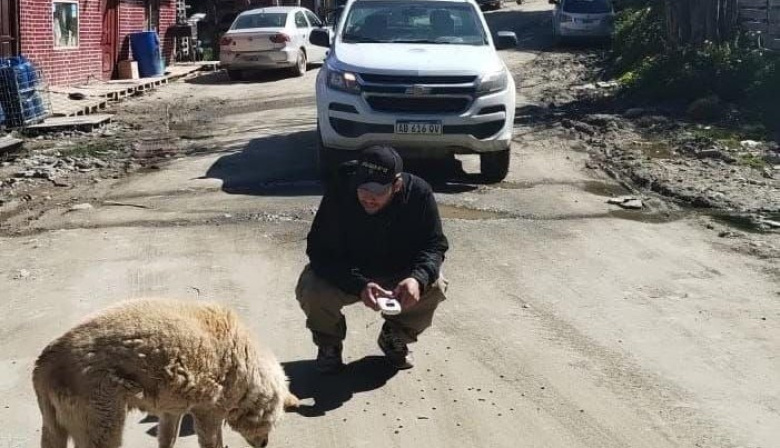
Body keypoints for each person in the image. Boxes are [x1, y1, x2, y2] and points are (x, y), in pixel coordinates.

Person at [296, 146, 449, 373]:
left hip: (399, 273)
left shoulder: (419, 193)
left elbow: (434, 245)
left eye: (378, 190)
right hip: (351, 273)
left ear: (396, 185)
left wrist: (417, 279)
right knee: (312, 287)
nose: (368, 197)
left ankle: (394, 336)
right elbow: (319, 250)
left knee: (435, 286)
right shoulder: (341, 186)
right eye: (364, 187)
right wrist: (359, 285)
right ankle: (329, 344)